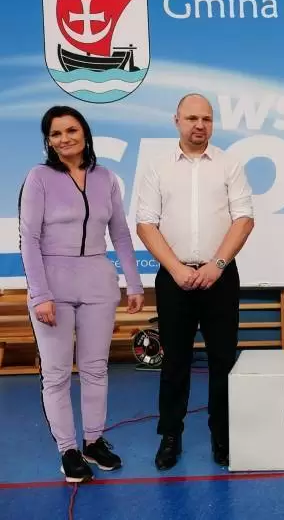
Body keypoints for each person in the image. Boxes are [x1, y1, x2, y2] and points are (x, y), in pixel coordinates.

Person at [20, 105, 145, 483]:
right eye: (55, 134)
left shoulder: (106, 178)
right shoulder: (39, 177)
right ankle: (68, 450)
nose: (64, 139)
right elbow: (29, 238)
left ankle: (93, 441)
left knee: (95, 368)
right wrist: (40, 294)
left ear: (85, 133)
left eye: (71, 130)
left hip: (98, 282)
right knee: (56, 373)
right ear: (48, 141)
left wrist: (134, 282)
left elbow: (120, 233)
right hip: (52, 286)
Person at [136, 93, 254, 469]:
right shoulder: (158, 167)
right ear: (177, 121)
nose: (199, 125)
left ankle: (223, 435)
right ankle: (170, 436)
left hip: (220, 275)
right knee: (175, 362)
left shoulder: (229, 164)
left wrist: (216, 265)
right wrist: (176, 269)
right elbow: (146, 224)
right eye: (192, 118)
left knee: (223, 360)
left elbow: (244, 219)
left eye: (206, 118)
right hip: (175, 277)